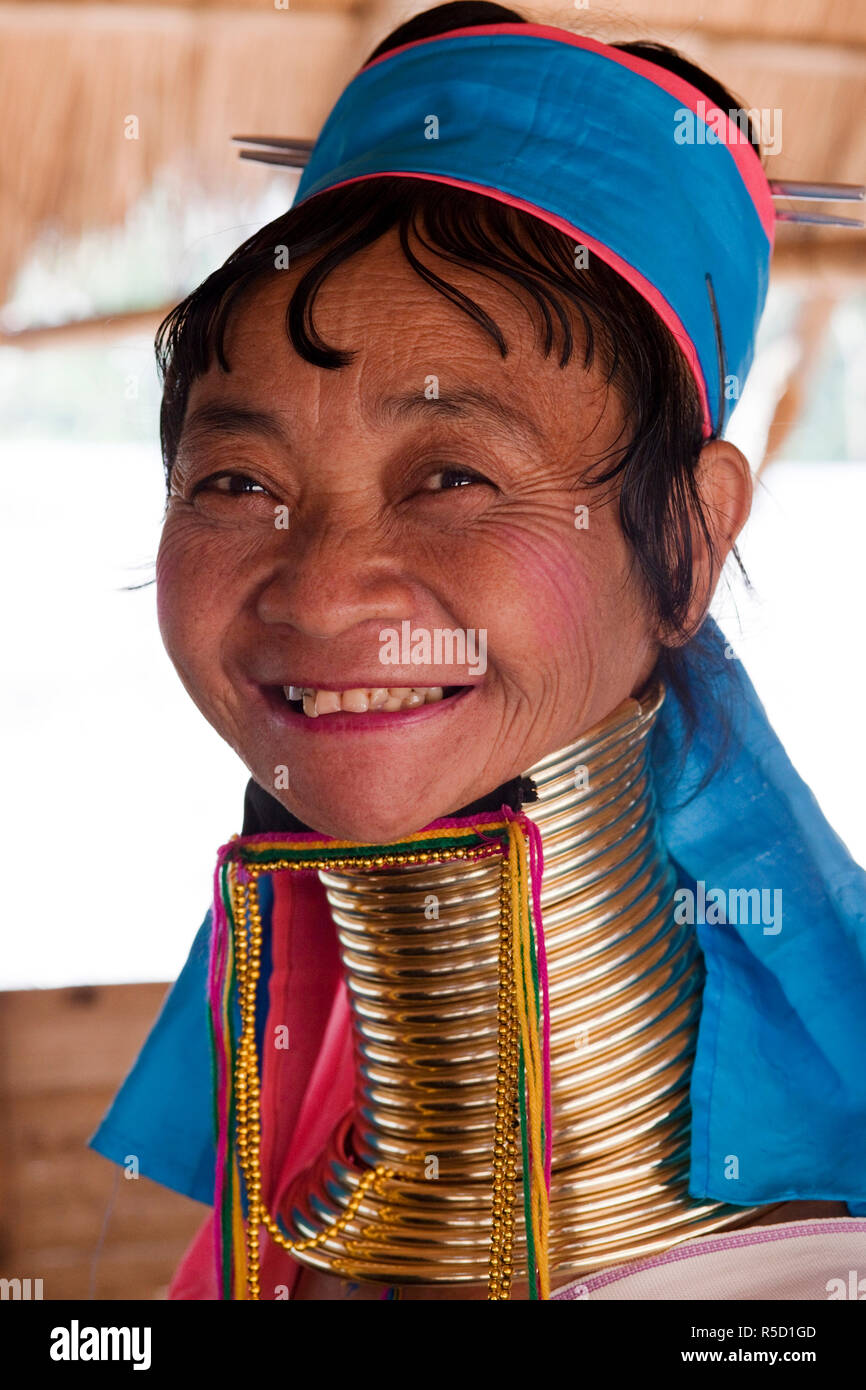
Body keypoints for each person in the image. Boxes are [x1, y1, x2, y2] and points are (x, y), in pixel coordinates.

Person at [91, 3, 866, 1300]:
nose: (323, 586)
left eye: (451, 473)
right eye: (233, 477)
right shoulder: (283, 1246)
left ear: (681, 540)